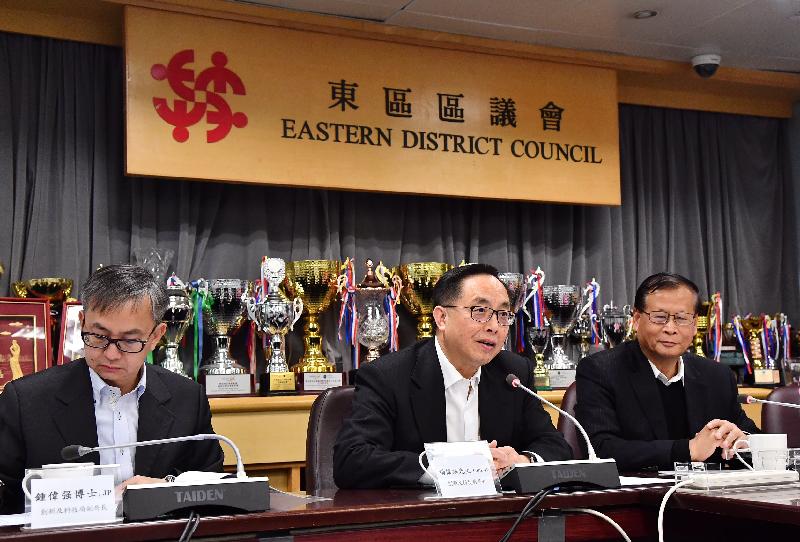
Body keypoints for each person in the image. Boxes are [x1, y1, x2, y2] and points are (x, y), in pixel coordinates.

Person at [0, 264, 223, 513]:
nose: (112, 354)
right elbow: (7, 501)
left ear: (156, 336)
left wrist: (168, 488)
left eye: (129, 340)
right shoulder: (26, 401)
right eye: (99, 336)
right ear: (82, 323)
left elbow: (212, 484)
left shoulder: (188, 398)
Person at [333, 263, 572, 489]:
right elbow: (352, 459)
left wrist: (522, 462)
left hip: (500, 518)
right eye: (480, 311)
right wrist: (454, 465)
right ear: (441, 318)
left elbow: (555, 446)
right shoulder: (388, 376)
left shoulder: (513, 373)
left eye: (503, 314)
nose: (494, 326)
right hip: (423, 521)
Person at [575, 272, 758, 471]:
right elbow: (600, 449)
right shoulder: (601, 370)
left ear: (695, 324)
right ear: (636, 319)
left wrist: (743, 441)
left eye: (681, 318)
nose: (670, 328)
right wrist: (688, 450)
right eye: (660, 317)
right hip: (641, 497)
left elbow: (751, 435)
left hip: (709, 496)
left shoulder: (716, 376)